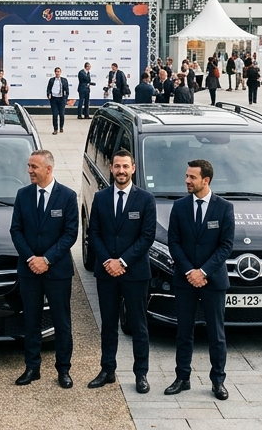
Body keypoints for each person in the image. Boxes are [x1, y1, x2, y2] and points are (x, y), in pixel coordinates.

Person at [164, 160, 233, 401]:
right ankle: (182, 377)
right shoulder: (180, 207)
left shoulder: (224, 208)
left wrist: (203, 272)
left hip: (213, 281)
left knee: (216, 333)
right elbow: (174, 242)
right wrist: (189, 272)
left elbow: (226, 246)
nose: (186, 181)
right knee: (184, 331)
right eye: (186, 176)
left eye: (192, 177)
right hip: (185, 280)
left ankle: (218, 381)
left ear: (206, 180)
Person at [86, 150, 155, 395]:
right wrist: (107, 261)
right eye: (117, 166)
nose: (121, 171)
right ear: (112, 168)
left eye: (125, 166)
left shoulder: (146, 199)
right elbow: (93, 233)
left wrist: (122, 262)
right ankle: (107, 370)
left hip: (135, 272)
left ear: (133, 168)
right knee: (108, 324)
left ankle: (141, 374)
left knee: (138, 325)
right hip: (106, 273)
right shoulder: (101, 197)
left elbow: (147, 237)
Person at [9, 149, 78, 389]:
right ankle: (32, 368)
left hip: (57, 271)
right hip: (29, 271)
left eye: (34, 167)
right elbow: (15, 230)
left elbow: (70, 234)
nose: (29, 171)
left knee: (61, 322)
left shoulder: (67, 196)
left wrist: (46, 259)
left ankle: (64, 370)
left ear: (48, 169)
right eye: (29, 166)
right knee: (31, 321)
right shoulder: (23, 195)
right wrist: (31, 258)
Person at [46, 67, 70, 135]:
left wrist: (65, 98)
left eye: (59, 71)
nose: (57, 73)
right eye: (56, 71)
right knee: (55, 115)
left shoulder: (64, 80)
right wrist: (48, 95)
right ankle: (55, 129)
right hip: (54, 99)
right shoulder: (51, 80)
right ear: (55, 72)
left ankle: (61, 127)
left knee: (62, 114)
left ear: (60, 72)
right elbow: (48, 89)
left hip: (61, 99)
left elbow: (67, 90)